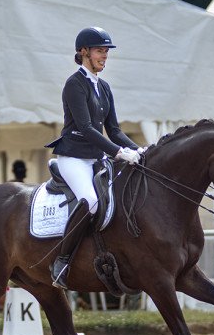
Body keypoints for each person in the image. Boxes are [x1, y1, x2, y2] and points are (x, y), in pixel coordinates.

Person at [45, 26, 144, 289]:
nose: (104, 56)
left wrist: (141, 150)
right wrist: (119, 153)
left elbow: (114, 130)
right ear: (84, 52)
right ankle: (62, 262)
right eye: (100, 51)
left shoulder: (104, 87)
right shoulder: (74, 84)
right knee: (89, 201)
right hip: (73, 158)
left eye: (106, 51)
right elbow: (87, 128)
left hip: (97, 159)